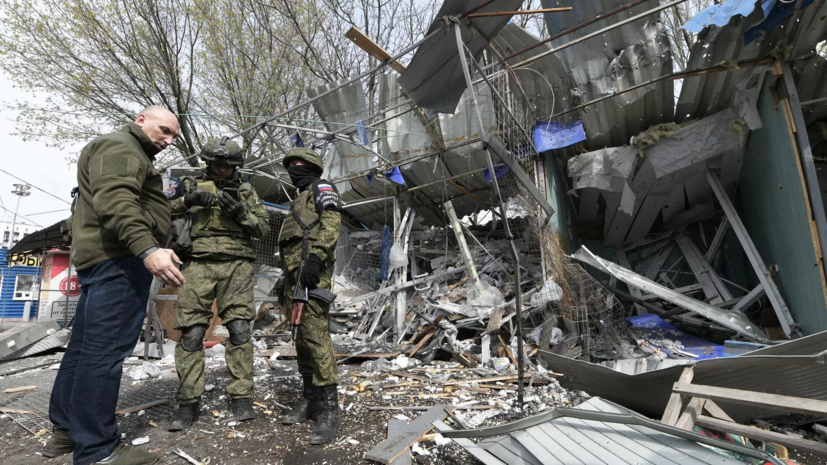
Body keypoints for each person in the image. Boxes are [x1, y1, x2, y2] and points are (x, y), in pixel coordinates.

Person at [45, 106, 185, 465]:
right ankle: (97, 449)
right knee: (104, 354)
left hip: (101, 259)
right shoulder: (124, 147)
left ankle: (66, 432)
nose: (168, 140)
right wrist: (148, 249)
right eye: (164, 129)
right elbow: (116, 201)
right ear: (141, 119)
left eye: (173, 136)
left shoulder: (121, 150)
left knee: (83, 350)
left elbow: (126, 199)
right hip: (120, 261)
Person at [166, 138, 270, 431]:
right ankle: (188, 402)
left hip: (237, 263)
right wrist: (188, 201)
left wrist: (240, 212)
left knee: (239, 330)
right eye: (217, 164)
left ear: (236, 167)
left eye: (229, 165)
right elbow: (159, 212)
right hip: (197, 261)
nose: (223, 169)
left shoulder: (246, 191)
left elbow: (263, 228)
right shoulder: (188, 185)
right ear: (207, 163)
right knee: (192, 332)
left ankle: (241, 396)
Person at [278, 147, 341, 445]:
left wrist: (316, 257)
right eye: (289, 165)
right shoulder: (298, 199)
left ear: (313, 166)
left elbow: (331, 224)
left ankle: (330, 410)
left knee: (315, 336)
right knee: (301, 339)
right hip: (293, 276)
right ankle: (310, 399)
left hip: (312, 272)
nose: (293, 169)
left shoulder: (322, 187)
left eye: (298, 164)